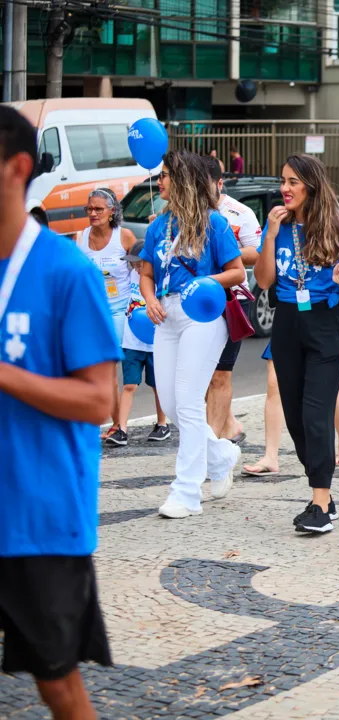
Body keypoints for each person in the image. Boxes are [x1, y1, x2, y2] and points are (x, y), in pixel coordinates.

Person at [0, 104, 118, 720]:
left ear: (16, 168)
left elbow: (99, 398)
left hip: (38, 516)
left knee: (56, 682)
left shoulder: (65, 272)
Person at [254, 154, 339, 534]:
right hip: (287, 322)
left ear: (311, 186)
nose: (284, 188)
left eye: (293, 182)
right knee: (297, 419)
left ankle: (319, 504)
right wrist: (269, 235)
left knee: (317, 415)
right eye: (282, 181)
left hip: (325, 322)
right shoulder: (279, 226)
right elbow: (265, 280)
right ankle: (325, 498)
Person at [140, 150, 246, 519]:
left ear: (182, 180)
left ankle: (186, 492)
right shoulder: (158, 225)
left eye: (166, 175)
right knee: (170, 405)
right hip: (165, 315)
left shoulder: (214, 224)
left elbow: (237, 273)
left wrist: (205, 281)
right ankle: (220, 455)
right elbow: (147, 272)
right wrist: (150, 298)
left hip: (202, 313)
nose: (160, 181)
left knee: (186, 401)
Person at [203, 157, 260, 443]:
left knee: (219, 375)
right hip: (198, 301)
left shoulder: (239, 213)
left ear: (219, 183)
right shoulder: (188, 213)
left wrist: (228, 251)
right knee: (202, 376)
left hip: (232, 300)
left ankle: (213, 443)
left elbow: (256, 252)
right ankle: (230, 426)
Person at [76, 188, 136, 444]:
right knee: (102, 369)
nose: (93, 213)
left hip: (121, 308)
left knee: (112, 366)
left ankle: (121, 424)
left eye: (99, 209)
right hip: (92, 312)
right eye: (89, 208)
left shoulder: (124, 237)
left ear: (112, 212)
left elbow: (142, 268)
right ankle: (116, 424)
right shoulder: (80, 237)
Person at [242, 345, 339, 477]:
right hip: (287, 327)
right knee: (275, 382)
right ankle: (270, 456)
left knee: (326, 382)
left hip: (322, 329)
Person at [116, 240, 170, 444]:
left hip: (156, 343)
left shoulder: (159, 279)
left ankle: (162, 424)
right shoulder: (129, 275)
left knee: (158, 386)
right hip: (131, 342)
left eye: (140, 264)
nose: (136, 267)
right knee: (129, 384)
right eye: (134, 264)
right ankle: (121, 429)